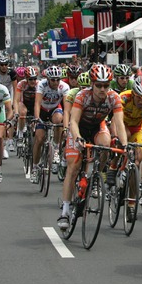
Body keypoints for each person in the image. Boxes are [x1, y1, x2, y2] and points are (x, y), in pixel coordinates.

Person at [57, 64, 128, 229]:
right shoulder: (83, 96)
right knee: (73, 167)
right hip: (79, 129)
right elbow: (73, 121)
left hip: (97, 127)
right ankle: (65, 211)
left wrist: (124, 145)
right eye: (99, 85)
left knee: (105, 144)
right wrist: (78, 138)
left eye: (106, 85)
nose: (102, 89)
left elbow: (119, 124)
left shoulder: (114, 98)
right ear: (92, 84)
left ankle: (97, 175)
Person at [106, 77, 142, 209]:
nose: (141, 101)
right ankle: (113, 167)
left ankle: (131, 202)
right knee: (123, 141)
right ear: (133, 94)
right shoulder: (124, 97)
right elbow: (115, 120)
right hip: (122, 125)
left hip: (137, 128)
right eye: (138, 98)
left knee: (136, 162)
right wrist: (114, 136)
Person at [32, 66, 69, 183]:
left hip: (54, 109)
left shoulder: (64, 87)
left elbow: (66, 108)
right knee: (39, 139)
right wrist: (37, 118)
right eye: (53, 80)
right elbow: (37, 103)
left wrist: (66, 125)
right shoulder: (42, 85)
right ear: (48, 79)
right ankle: (35, 167)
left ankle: (56, 149)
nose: (56, 82)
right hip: (42, 110)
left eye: (58, 79)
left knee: (59, 120)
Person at [0, 54, 17, 158]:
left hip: (9, 92)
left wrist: (14, 105)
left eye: (5, 64)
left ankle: (10, 140)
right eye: (1, 64)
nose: (4, 66)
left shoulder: (11, 72)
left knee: (10, 115)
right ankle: (2, 141)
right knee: (2, 116)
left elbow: (15, 89)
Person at [13, 66, 39, 134]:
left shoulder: (39, 84)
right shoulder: (21, 84)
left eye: (34, 79)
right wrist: (16, 112)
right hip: (24, 104)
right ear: (26, 78)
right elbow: (16, 100)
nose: (33, 81)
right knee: (23, 112)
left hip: (35, 104)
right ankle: (21, 133)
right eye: (30, 79)